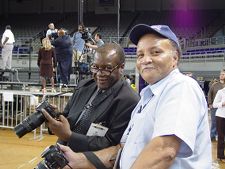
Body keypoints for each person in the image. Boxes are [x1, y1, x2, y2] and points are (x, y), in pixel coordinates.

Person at [57, 24, 212, 169]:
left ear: (175, 57)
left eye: (155, 52)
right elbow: (122, 149)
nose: (145, 60)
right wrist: (82, 160)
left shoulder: (180, 86)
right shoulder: (146, 97)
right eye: (140, 54)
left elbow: (164, 150)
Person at [42, 43, 139, 152]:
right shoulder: (83, 86)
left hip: (88, 162)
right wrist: (54, 117)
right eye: (95, 67)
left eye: (107, 68)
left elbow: (112, 144)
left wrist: (70, 136)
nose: (99, 74)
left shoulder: (129, 100)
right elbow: (68, 117)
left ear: (121, 67)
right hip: (61, 154)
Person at [208, 69, 225, 141]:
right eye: (221, 74)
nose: (221, 75)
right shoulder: (215, 85)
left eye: (223, 74)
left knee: (222, 124)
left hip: (223, 108)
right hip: (215, 106)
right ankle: (212, 135)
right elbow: (209, 94)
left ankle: (221, 136)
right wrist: (210, 103)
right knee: (214, 122)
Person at [213, 86, 225, 162]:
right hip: (221, 116)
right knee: (221, 137)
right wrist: (223, 103)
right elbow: (214, 104)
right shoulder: (220, 92)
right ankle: (220, 156)